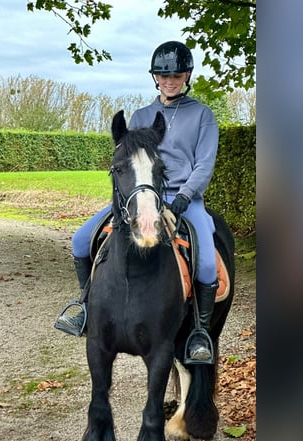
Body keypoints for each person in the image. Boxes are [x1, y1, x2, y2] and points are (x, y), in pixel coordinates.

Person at [55, 40, 220, 363]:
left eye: (177, 75)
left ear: (187, 76)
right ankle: (85, 307)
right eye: (163, 75)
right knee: (80, 240)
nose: (170, 81)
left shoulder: (202, 115)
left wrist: (185, 197)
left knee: (206, 265)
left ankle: (199, 332)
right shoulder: (143, 115)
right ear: (155, 77)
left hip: (183, 199)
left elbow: (205, 163)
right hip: (140, 196)